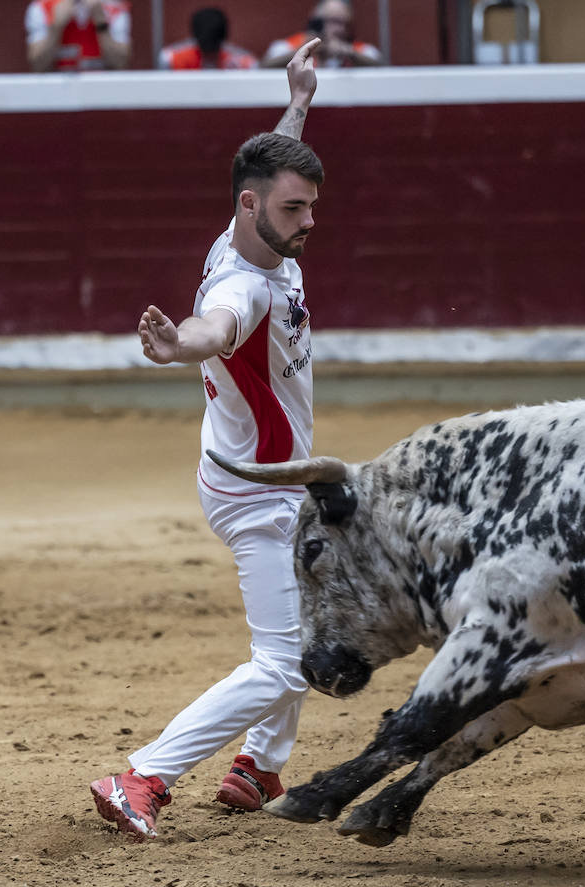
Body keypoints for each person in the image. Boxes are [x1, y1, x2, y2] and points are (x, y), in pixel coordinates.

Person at [90, 37, 325, 841]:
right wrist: (180, 346)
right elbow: (213, 325)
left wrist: (297, 100)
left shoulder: (249, 229)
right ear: (253, 207)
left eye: (312, 206)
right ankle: (143, 775)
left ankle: (257, 766)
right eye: (296, 209)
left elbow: (269, 167)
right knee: (288, 658)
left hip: (264, 471)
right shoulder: (242, 282)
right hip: (257, 488)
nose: (309, 222)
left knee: (310, 625)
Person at [262, 0, 380, 69]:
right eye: (334, 22)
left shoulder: (358, 49)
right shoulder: (291, 45)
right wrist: (302, 52)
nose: (340, 29)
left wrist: (349, 54)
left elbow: (382, 67)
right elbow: (264, 67)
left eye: (345, 23)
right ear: (317, 21)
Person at [25, 0, 131, 72]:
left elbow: (120, 64)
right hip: (58, 93)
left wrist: (102, 24)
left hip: (101, 92)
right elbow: (37, 65)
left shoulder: (113, 7)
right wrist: (56, 28)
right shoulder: (42, 7)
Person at [159, 7, 258, 70]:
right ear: (195, 39)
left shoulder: (242, 61)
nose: (209, 53)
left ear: (222, 41)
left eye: (213, 46)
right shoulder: (172, 59)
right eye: (205, 46)